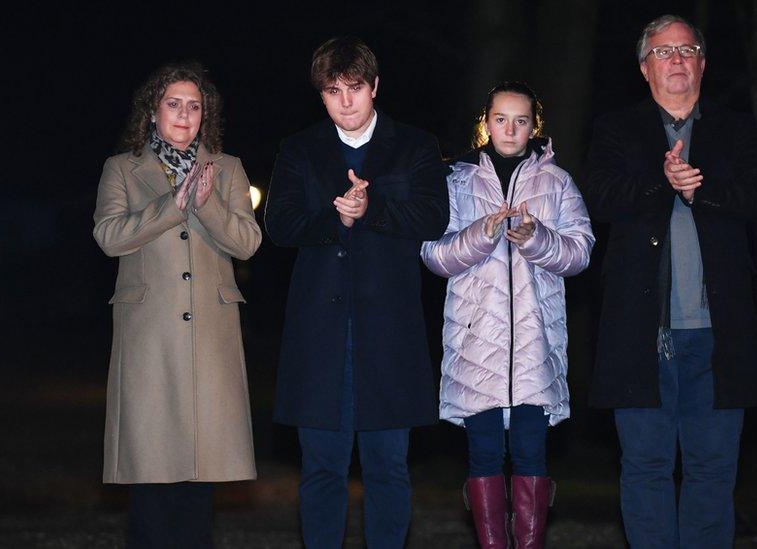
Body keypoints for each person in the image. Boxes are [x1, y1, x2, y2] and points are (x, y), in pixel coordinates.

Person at [580, 15, 757, 549]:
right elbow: (598, 197)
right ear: (645, 68)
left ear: (703, 64)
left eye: (687, 49)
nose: (677, 59)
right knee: (645, 468)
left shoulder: (735, 129)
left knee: (713, 470)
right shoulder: (615, 129)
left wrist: (702, 191)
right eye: (664, 52)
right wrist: (660, 182)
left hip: (720, 333)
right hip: (642, 333)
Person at [264, 37, 449, 547]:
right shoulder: (299, 148)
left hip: (389, 331)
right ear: (320, 96)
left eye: (355, 88)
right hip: (319, 334)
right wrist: (332, 216)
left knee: (388, 468)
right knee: (321, 469)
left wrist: (373, 211)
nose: (345, 101)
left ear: (375, 87)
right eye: (332, 91)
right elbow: (278, 223)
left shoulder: (415, 144)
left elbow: (436, 215)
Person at [92, 61, 261, 548]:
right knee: (151, 471)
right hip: (149, 337)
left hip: (210, 335)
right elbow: (109, 235)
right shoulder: (122, 168)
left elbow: (247, 243)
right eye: (173, 104)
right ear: (152, 111)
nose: (184, 115)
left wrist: (204, 202)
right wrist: (173, 203)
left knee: (199, 474)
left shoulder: (226, 168)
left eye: (194, 105)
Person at [421, 82, 594, 549]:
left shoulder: (557, 182)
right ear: (486, 122)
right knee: (482, 455)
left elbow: (580, 253)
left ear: (535, 125)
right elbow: (434, 256)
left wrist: (537, 239)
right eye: (501, 119)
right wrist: (482, 233)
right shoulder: (456, 181)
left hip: (535, 348)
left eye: (521, 120)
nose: (511, 129)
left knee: (531, 453)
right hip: (476, 349)